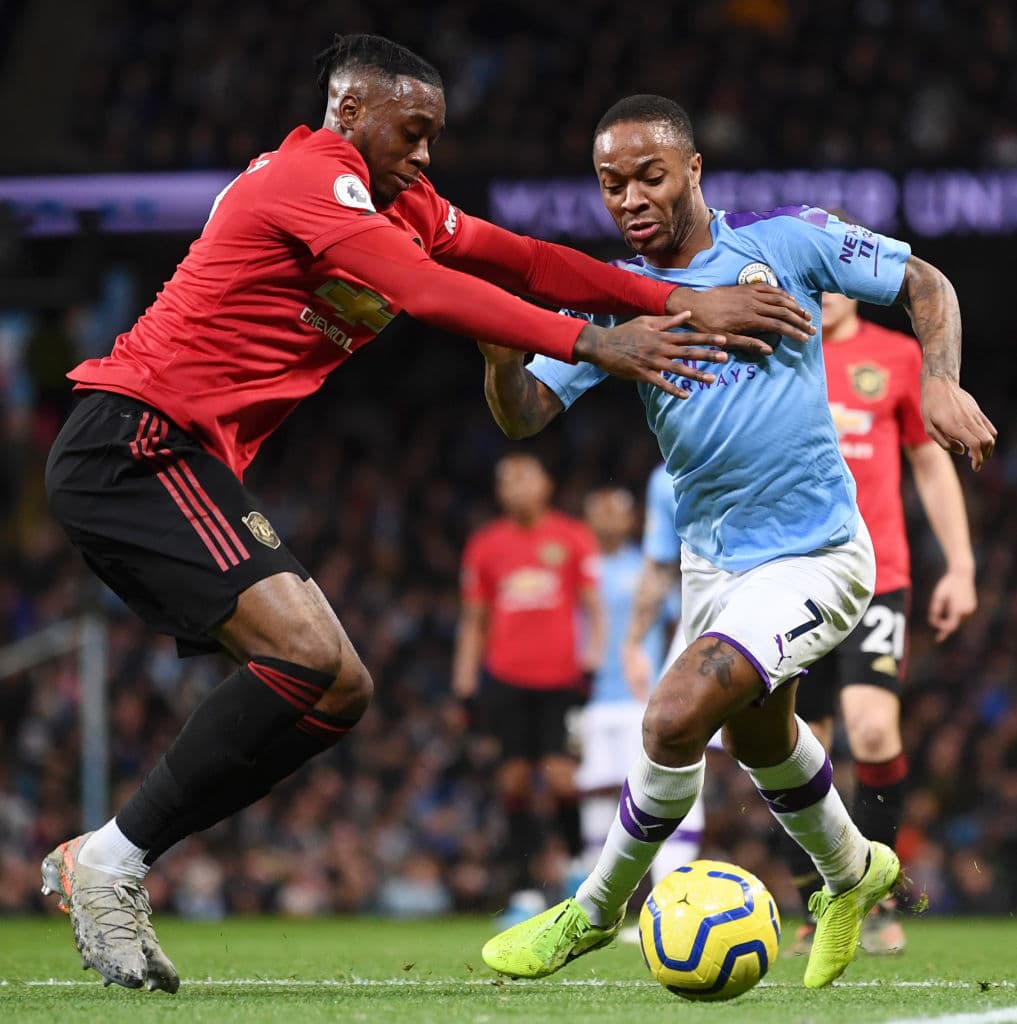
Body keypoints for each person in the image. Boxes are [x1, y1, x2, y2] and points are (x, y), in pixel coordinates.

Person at [40, 37, 815, 995]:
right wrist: (595, 345)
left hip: (184, 456)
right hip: (136, 443)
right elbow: (425, 291)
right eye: (411, 132)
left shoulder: (401, 203)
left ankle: (110, 856)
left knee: (337, 688)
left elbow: (525, 258)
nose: (425, 154)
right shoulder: (303, 179)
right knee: (308, 660)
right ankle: (110, 863)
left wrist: (677, 298)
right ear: (349, 112)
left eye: (434, 135)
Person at [474, 93, 996, 989]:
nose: (630, 199)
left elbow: (924, 281)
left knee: (672, 715)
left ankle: (593, 912)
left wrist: (939, 381)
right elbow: (523, 414)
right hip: (712, 563)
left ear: (692, 170)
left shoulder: (783, 243)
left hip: (818, 555)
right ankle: (852, 872)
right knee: (762, 740)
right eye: (611, 184)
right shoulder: (612, 296)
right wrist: (499, 354)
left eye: (649, 176)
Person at [785, 275, 978, 957]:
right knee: (796, 746)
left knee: (870, 730)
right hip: (792, 577)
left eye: (832, 280)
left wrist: (960, 565)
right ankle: (817, 897)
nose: (824, 293)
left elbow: (929, 464)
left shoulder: (896, 356)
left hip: (876, 575)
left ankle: (873, 895)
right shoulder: (780, 350)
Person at [452, 452, 602, 922]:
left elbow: (593, 606)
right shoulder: (485, 545)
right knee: (513, 780)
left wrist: (592, 659)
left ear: (546, 485)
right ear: (499, 492)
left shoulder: (572, 537)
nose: (516, 487)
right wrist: (464, 683)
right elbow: (473, 619)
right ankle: (524, 889)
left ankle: (576, 866)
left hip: (561, 680)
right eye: (507, 480)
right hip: (506, 679)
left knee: (561, 776)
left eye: (524, 478)